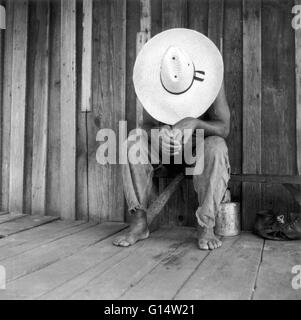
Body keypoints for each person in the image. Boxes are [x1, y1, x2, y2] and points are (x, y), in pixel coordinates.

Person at [113, 28, 231, 250]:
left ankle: (206, 225)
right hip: (164, 153)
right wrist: (157, 134)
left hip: (198, 151)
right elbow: (145, 126)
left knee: (217, 146)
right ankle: (139, 222)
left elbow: (224, 128)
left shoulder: (212, 82)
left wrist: (196, 124)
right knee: (132, 141)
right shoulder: (154, 83)